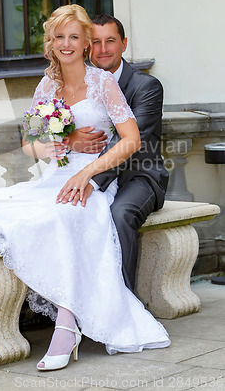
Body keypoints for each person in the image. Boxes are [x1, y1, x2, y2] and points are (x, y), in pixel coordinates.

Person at [0, 5, 170, 371]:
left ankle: (67, 322)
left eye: (74, 36)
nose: (66, 43)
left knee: (64, 217)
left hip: (92, 180)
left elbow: (131, 140)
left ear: (86, 43)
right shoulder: (47, 85)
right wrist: (66, 144)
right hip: (55, 176)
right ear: (51, 42)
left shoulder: (102, 82)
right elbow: (31, 145)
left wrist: (86, 173)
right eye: (59, 36)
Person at [63, 14, 169, 291]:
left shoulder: (146, 87)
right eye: (95, 42)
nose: (102, 50)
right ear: (87, 46)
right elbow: (57, 129)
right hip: (84, 171)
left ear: (123, 44)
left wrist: (91, 179)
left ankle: (124, 302)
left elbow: (132, 140)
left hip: (139, 176)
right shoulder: (78, 82)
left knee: (117, 213)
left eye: (110, 41)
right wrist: (71, 138)